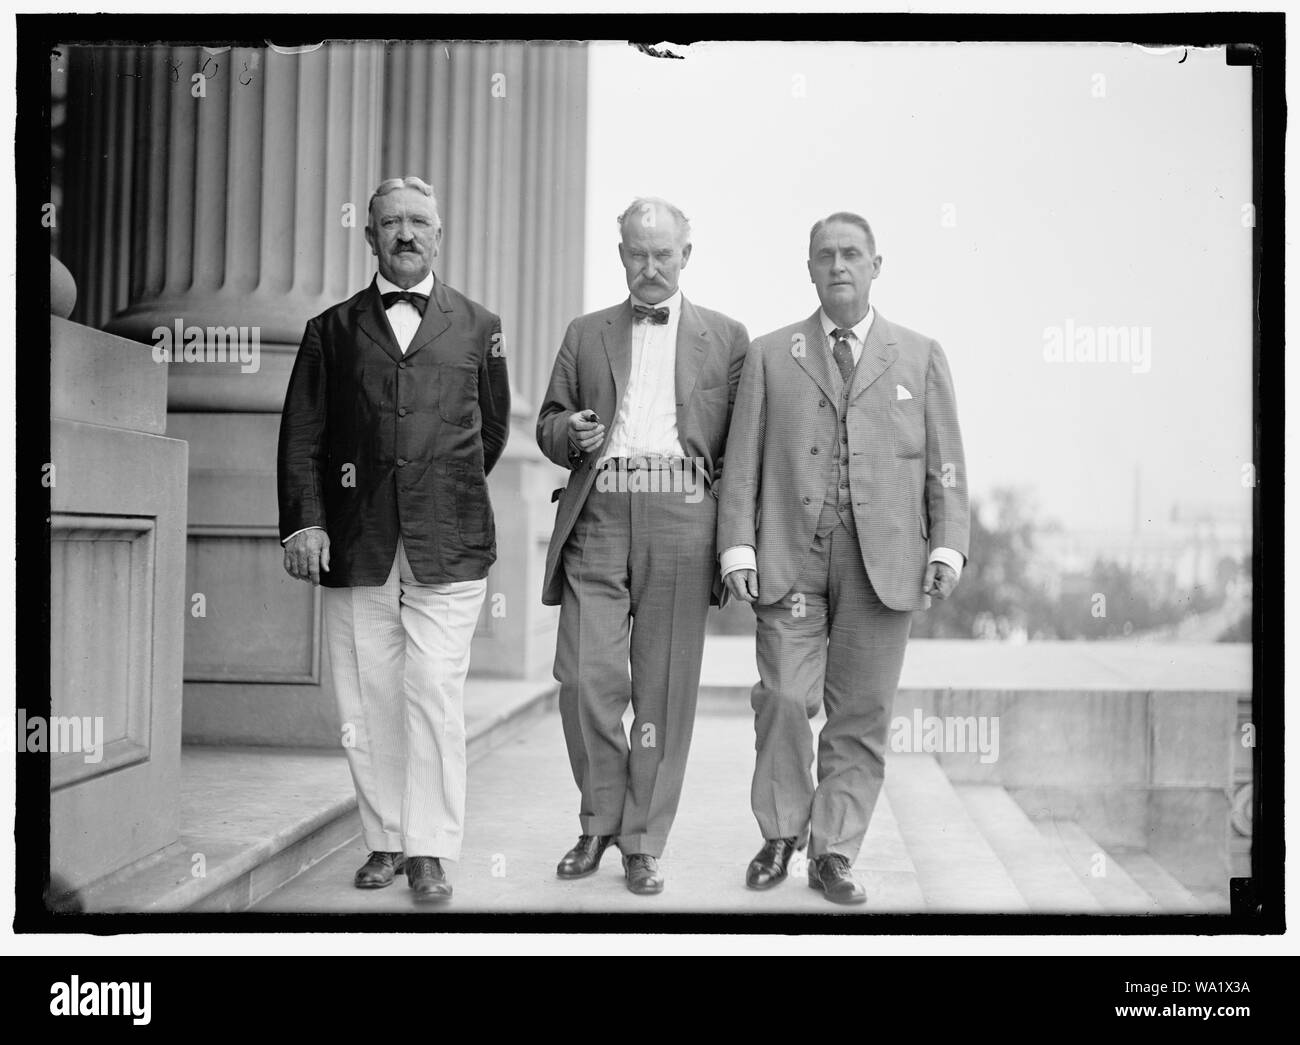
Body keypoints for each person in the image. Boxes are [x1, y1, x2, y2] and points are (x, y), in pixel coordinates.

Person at [717, 211, 969, 905]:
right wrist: (737, 543)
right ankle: (779, 832)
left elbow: (945, 464)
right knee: (783, 696)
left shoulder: (918, 355)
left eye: (852, 254)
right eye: (825, 255)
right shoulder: (772, 354)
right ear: (809, 268)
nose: (839, 266)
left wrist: (947, 541)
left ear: (876, 265)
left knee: (861, 711)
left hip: (882, 564)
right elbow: (741, 462)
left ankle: (834, 851)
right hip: (790, 559)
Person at [277, 176, 510, 904]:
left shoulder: (479, 325)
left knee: (433, 689)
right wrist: (306, 518)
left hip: (450, 540)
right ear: (369, 235)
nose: (406, 234)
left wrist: (441, 486)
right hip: (358, 537)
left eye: (419, 222)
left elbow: (493, 428)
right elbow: (302, 434)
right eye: (391, 223)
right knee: (368, 698)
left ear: (439, 235)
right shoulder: (331, 330)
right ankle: (386, 838)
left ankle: (431, 850)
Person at [537, 197, 748, 895]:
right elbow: (546, 423)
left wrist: (731, 537)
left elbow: (741, 451)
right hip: (598, 507)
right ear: (620, 253)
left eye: (663, 254)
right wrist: (572, 433)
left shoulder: (727, 337)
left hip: (683, 512)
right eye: (637, 252)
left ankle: (643, 838)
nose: (650, 266)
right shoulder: (585, 331)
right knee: (583, 676)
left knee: (663, 687)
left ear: (687, 255)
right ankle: (599, 816)